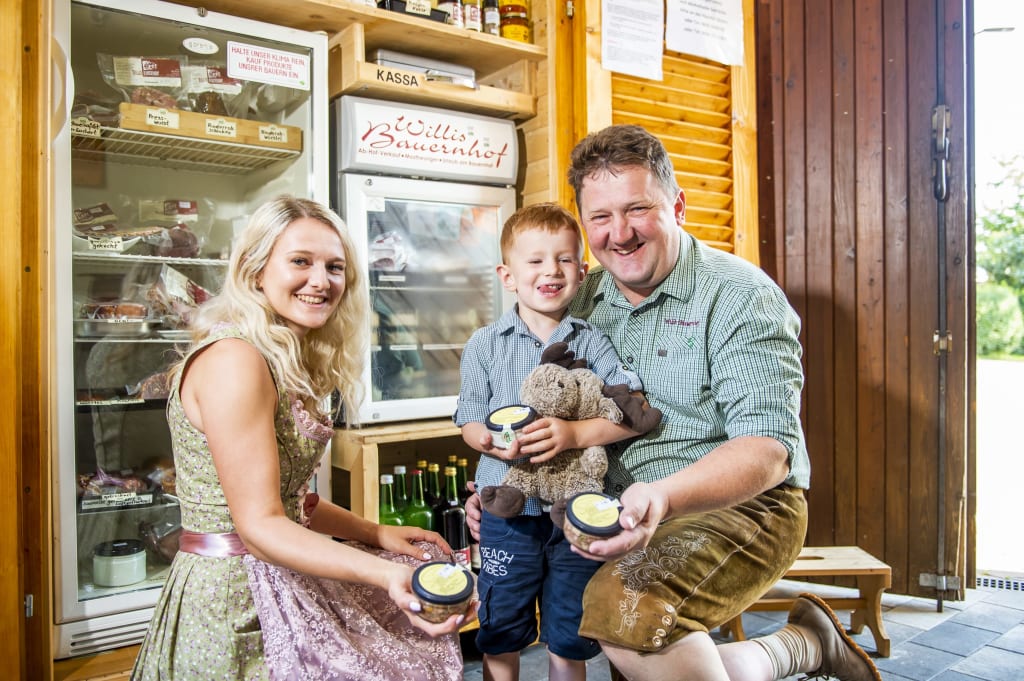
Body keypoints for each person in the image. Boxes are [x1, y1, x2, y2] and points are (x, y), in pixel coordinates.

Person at [465, 126, 881, 681]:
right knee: (629, 640)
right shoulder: (576, 295)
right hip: (605, 505)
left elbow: (768, 451)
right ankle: (800, 646)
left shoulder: (741, 295)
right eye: (600, 217)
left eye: (638, 209)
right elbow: (525, 400)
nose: (620, 234)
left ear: (678, 206)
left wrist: (662, 496)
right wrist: (503, 485)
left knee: (624, 611)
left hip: (743, 506)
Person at [132, 196, 471, 681]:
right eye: (300, 261)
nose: (321, 281)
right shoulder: (235, 361)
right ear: (255, 271)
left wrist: (376, 533)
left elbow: (291, 501)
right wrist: (387, 572)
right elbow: (261, 526)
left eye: (334, 267)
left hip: (276, 573)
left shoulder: (279, 356)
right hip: (234, 598)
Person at [455, 202, 656, 681]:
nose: (551, 271)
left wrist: (572, 434)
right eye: (536, 260)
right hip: (508, 512)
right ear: (507, 276)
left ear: (582, 273)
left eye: (565, 259)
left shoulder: (594, 341)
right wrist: (489, 441)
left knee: (569, 631)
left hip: (577, 510)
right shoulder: (484, 344)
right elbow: (468, 420)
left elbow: (631, 411)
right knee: (501, 627)